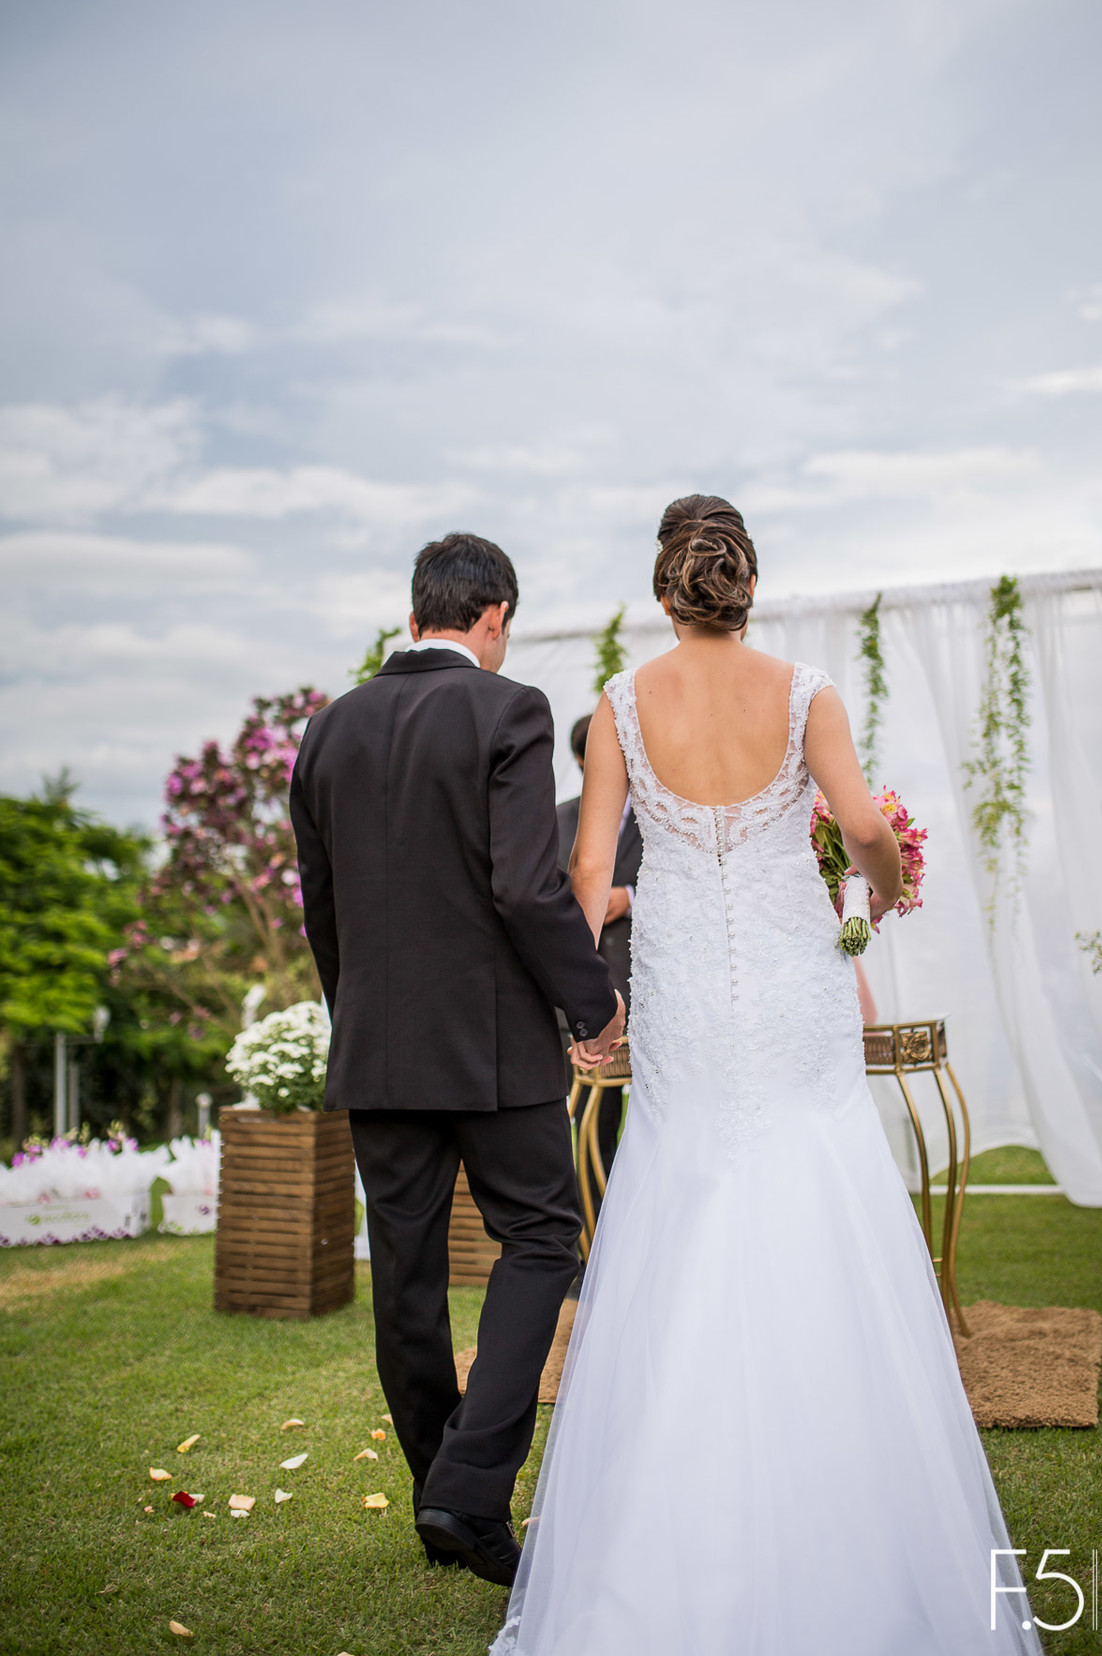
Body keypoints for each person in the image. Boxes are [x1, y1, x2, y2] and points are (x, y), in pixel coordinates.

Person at [492, 497, 1040, 1655]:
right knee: (815, 1175)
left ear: (664, 592)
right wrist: (883, 887)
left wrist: (583, 1001)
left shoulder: (617, 707)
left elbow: (587, 866)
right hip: (793, 988)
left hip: (688, 994)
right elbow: (860, 823)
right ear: (749, 589)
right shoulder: (807, 694)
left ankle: (666, 1526)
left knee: (685, 1184)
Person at [290, 532, 624, 1588]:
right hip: (491, 1047)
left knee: (407, 1275)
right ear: (492, 618)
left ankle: (447, 1488)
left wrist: (361, 1020)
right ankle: (469, 1490)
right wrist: (590, 998)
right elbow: (526, 888)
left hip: (379, 1049)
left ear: (416, 609)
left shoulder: (328, 729)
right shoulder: (507, 707)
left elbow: (323, 907)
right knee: (542, 1239)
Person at [557, 712, 644, 1181]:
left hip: (645, 988)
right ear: (579, 761)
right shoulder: (556, 819)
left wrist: (627, 898)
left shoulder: (658, 820)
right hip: (579, 998)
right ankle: (585, 1233)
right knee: (583, 1122)